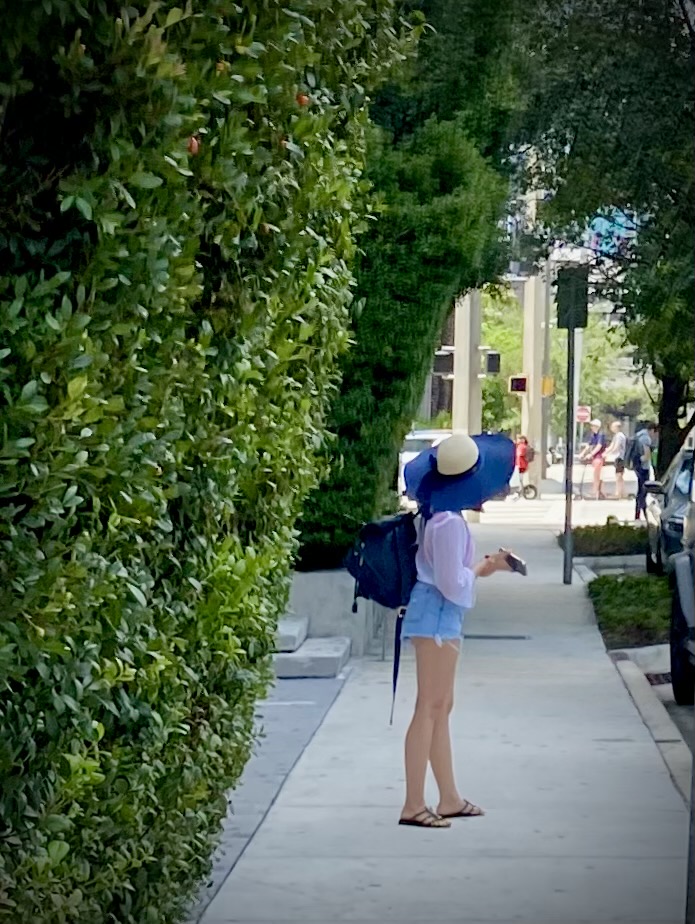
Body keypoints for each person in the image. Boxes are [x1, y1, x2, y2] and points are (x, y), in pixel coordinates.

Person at [399, 432, 518, 829]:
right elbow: (451, 582)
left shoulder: (439, 514)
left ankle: (448, 797)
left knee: (439, 707)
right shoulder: (448, 522)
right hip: (436, 613)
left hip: (436, 614)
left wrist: (480, 568)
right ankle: (414, 803)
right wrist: (485, 569)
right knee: (429, 708)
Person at [634, 421, 658, 521]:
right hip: (643, 468)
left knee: (640, 491)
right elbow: (647, 455)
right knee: (643, 492)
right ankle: (641, 513)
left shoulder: (638, 435)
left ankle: (639, 513)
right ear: (652, 430)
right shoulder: (646, 438)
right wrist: (642, 460)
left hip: (638, 467)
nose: (655, 436)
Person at [579, 419, 607, 500]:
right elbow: (588, 445)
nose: (591, 427)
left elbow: (599, 446)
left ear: (597, 427)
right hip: (595, 457)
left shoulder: (601, 435)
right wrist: (583, 453)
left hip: (599, 457)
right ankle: (598, 491)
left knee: (597, 475)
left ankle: (596, 492)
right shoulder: (593, 435)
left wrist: (591, 454)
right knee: (596, 475)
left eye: (593, 426)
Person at [604, 420, 627, 499]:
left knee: (618, 476)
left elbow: (616, 447)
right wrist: (606, 452)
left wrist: (608, 453)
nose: (611, 428)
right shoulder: (616, 435)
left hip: (620, 458)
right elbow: (612, 446)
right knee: (619, 475)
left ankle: (618, 493)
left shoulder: (619, 436)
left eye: (613, 426)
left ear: (617, 427)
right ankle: (623, 493)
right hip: (618, 458)